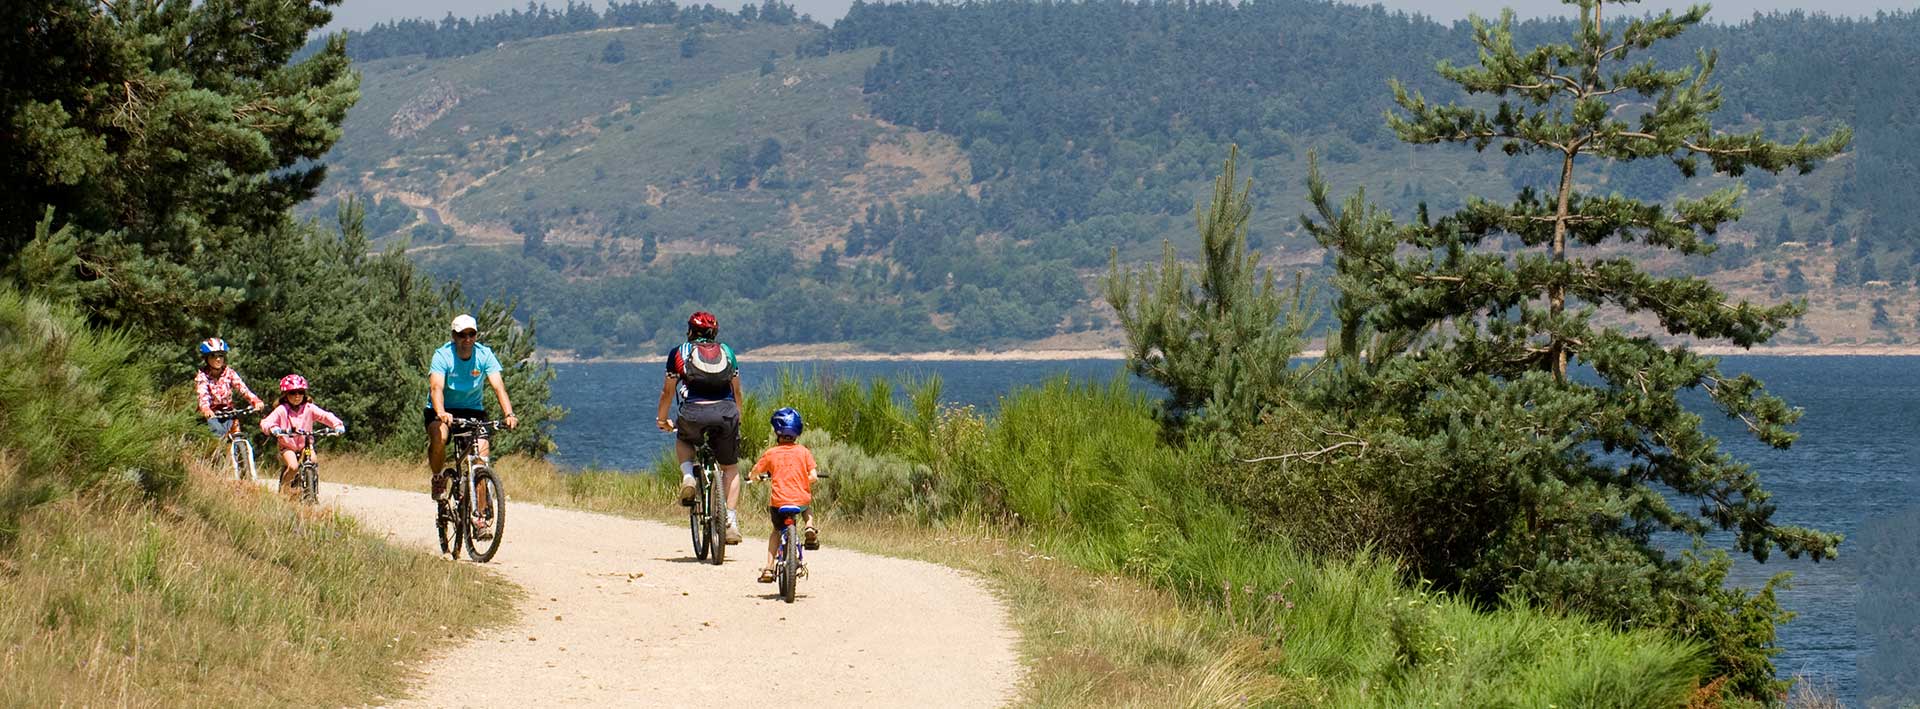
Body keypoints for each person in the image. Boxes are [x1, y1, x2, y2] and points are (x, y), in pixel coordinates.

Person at [425, 314, 518, 539]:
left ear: (476, 335)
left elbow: (498, 386)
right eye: (461, 335)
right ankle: (438, 476)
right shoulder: (443, 355)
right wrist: (440, 412)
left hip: (473, 410)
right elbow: (436, 388)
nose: (467, 339)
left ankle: (480, 518)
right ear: (453, 336)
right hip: (443, 408)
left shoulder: (484, 355)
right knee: (441, 436)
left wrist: (509, 413)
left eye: (471, 334)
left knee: (481, 458)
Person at [656, 310, 745, 545]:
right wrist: (738, 419)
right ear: (714, 332)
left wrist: (662, 419)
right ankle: (731, 521)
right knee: (731, 468)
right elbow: (736, 391)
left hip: (693, 413)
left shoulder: (679, 353)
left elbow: (667, 392)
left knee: (684, 440)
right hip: (726, 413)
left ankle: (688, 477)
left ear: (690, 331)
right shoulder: (727, 352)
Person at [751, 407, 820, 583]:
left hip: (779, 502)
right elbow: (813, 477)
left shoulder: (771, 453)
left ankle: (768, 567)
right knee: (806, 506)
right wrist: (802, 479)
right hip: (800, 500)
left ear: (777, 431)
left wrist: (756, 478)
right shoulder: (804, 452)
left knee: (776, 531)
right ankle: (809, 526)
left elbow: (755, 472)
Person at [259, 374, 345, 499]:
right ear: (285, 395)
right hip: (287, 446)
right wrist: (273, 429)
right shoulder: (282, 410)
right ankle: (285, 488)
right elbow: (266, 422)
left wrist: (337, 425)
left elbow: (325, 416)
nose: (297, 396)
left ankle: (312, 490)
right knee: (293, 466)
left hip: (306, 444)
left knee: (313, 460)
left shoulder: (309, 408)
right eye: (293, 393)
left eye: (300, 392)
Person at [193, 338, 265, 437]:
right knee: (218, 438)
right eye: (213, 356)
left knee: (238, 435)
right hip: (212, 416)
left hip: (229, 412)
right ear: (206, 358)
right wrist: (206, 409)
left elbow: (242, 388)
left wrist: (255, 400)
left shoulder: (229, 372)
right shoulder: (202, 376)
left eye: (220, 355)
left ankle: (243, 451)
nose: (218, 359)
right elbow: (203, 395)